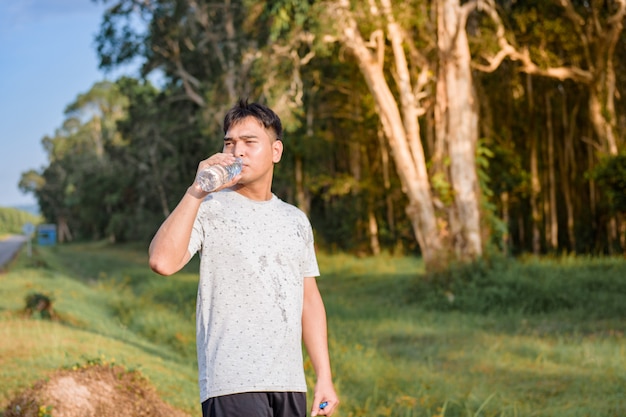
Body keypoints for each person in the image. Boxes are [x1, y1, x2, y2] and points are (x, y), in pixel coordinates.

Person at [148, 99, 339, 417]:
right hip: (232, 383)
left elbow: (309, 301)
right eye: (230, 143)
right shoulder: (207, 208)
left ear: (276, 151)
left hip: (289, 384)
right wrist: (197, 190)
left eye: (250, 142)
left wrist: (325, 378)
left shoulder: (296, 220)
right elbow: (162, 262)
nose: (237, 151)